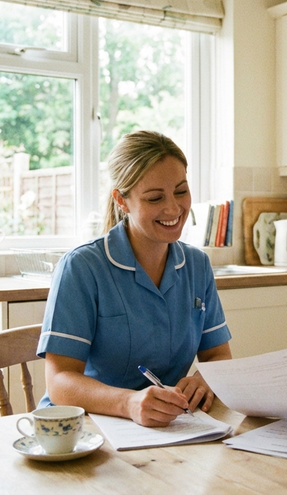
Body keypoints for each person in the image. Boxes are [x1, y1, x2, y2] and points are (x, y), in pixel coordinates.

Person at [37, 130, 232, 427]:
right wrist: (128, 403)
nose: (173, 208)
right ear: (122, 200)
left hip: (169, 429)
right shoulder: (82, 268)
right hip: (87, 429)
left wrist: (205, 379)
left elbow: (219, 355)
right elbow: (60, 382)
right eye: (155, 197)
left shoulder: (197, 265)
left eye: (181, 191)